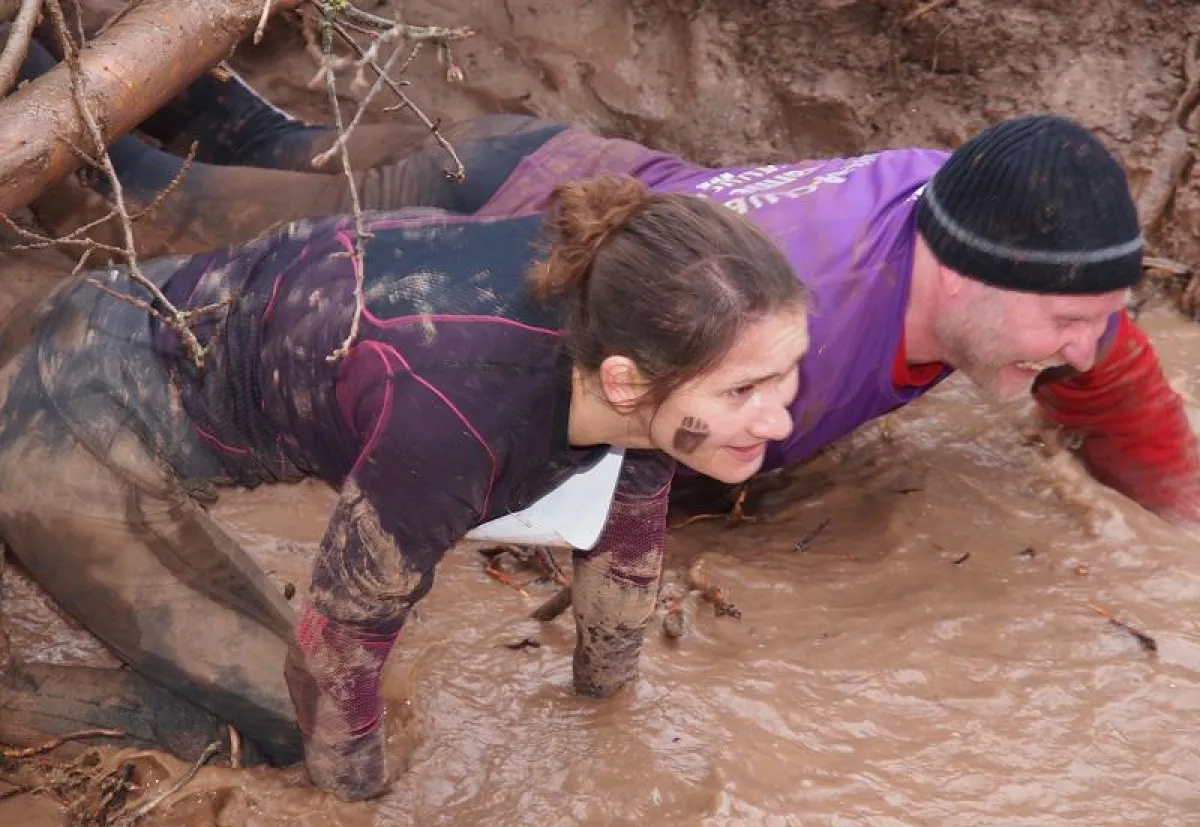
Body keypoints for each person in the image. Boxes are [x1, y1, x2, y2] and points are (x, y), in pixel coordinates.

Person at [45, 59, 1197, 529]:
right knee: (155, 204)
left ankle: (90, 58)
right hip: (470, 229)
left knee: (277, 137)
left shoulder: (989, 212)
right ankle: (43, 78)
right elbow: (572, 427)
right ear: (968, 273)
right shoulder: (803, 317)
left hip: (555, 162)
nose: (1091, 345)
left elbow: (1119, 380)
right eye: (1066, 325)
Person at [0, 175, 810, 800]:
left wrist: (607, 721)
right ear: (626, 383)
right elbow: (334, 652)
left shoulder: (628, 314)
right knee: (291, 726)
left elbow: (627, 553)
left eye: (788, 374)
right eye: (745, 393)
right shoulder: (460, 420)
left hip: (113, 315)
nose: (781, 420)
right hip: (72, 431)